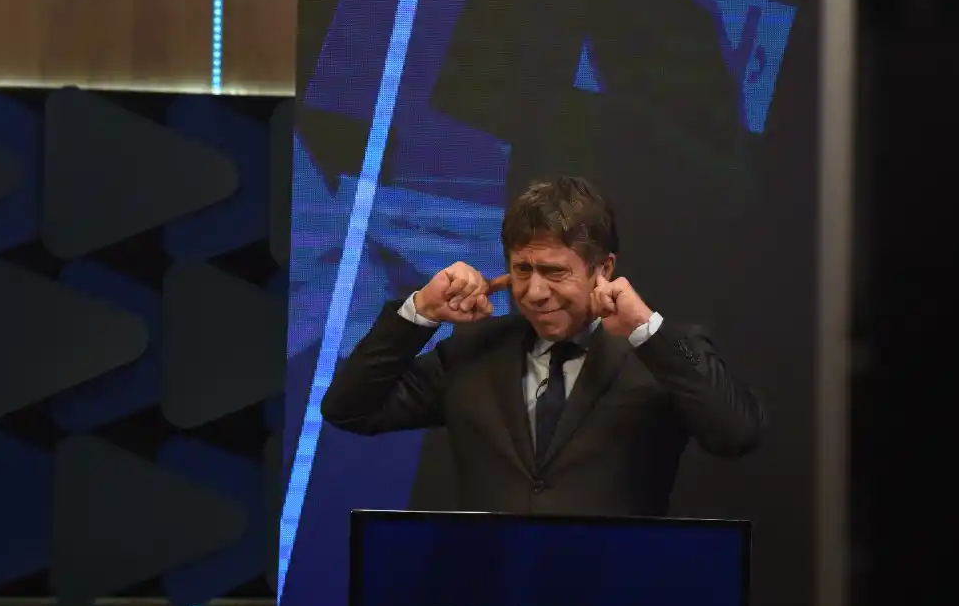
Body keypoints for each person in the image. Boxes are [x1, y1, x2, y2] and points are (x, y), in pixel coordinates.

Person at [322, 177, 766, 515]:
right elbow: (350, 409)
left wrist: (647, 330)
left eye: (554, 272)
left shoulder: (658, 353)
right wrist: (419, 311)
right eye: (522, 269)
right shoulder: (472, 353)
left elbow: (737, 433)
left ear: (603, 268)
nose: (534, 292)